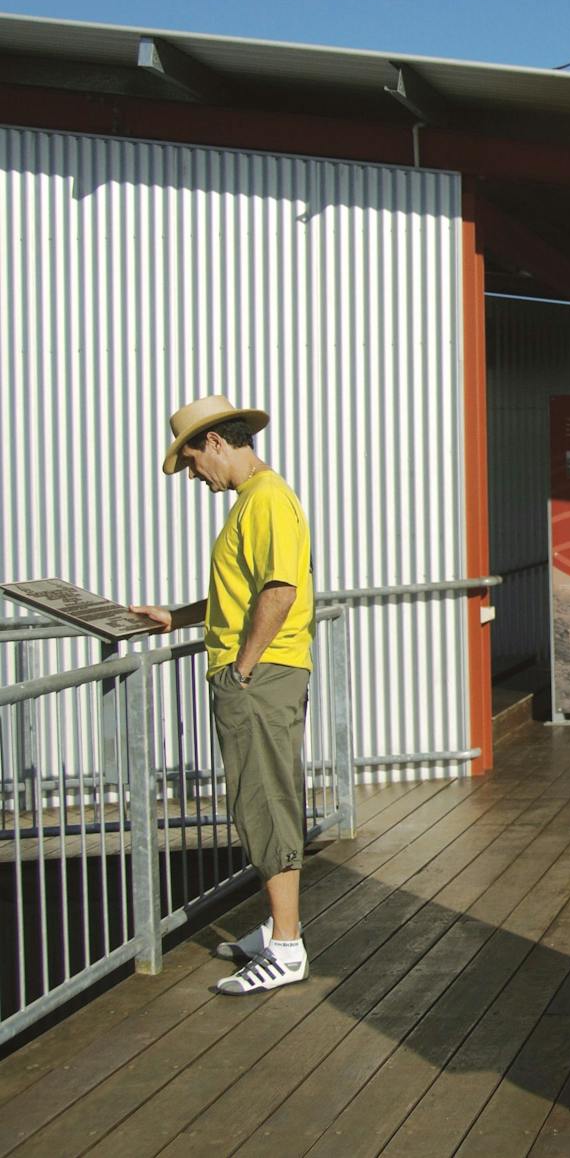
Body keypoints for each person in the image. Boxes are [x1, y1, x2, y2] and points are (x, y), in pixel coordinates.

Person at [131, 394, 315, 994]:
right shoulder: (254, 502)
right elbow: (245, 593)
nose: (192, 475)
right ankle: (277, 928)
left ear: (214, 443)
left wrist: (242, 668)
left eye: (190, 462)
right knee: (260, 799)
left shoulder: (264, 500)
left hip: (260, 680)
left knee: (264, 804)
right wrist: (175, 618)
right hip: (262, 676)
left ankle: (287, 948)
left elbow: (280, 591)